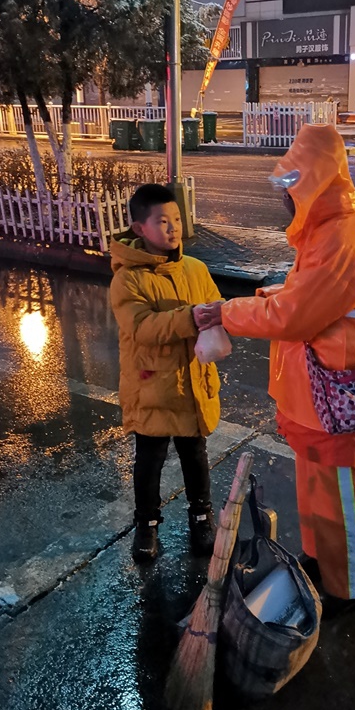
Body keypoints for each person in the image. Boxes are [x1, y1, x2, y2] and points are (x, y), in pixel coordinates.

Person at [199, 123, 355, 618]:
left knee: (343, 499)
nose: (284, 195)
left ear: (315, 182)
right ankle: (321, 562)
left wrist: (227, 312)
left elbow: (297, 315)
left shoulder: (343, 240)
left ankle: (352, 589)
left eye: (292, 184)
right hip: (322, 397)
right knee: (317, 489)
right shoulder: (325, 235)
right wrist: (260, 299)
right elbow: (298, 298)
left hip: (339, 396)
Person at [110, 184, 223, 563]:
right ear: (140, 228)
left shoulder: (196, 268)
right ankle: (147, 524)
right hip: (152, 385)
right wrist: (189, 318)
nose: (173, 228)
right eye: (162, 221)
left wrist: (228, 313)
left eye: (176, 219)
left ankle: (202, 516)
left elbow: (215, 306)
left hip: (192, 381)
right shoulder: (128, 279)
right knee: (150, 460)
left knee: (195, 455)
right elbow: (141, 327)